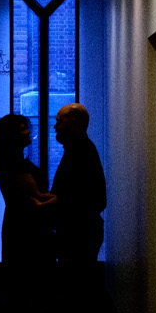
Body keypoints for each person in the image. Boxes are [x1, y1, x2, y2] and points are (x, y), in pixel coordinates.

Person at [0, 113, 55, 289]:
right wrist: (64, 198)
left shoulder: (11, 164)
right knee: (29, 283)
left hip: (18, 226)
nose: (28, 132)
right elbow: (38, 198)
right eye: (23, 129)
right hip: (27, 230)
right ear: (12, 136)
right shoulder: (15, 166)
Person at [49, 103, 106, 273]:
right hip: (81, 232)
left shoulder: (81, 153)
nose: (55, 126)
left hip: (79, 235)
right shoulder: (80, 149)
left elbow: (92, 199)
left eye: (59, 121)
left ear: (74, 123)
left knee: (77, 285)